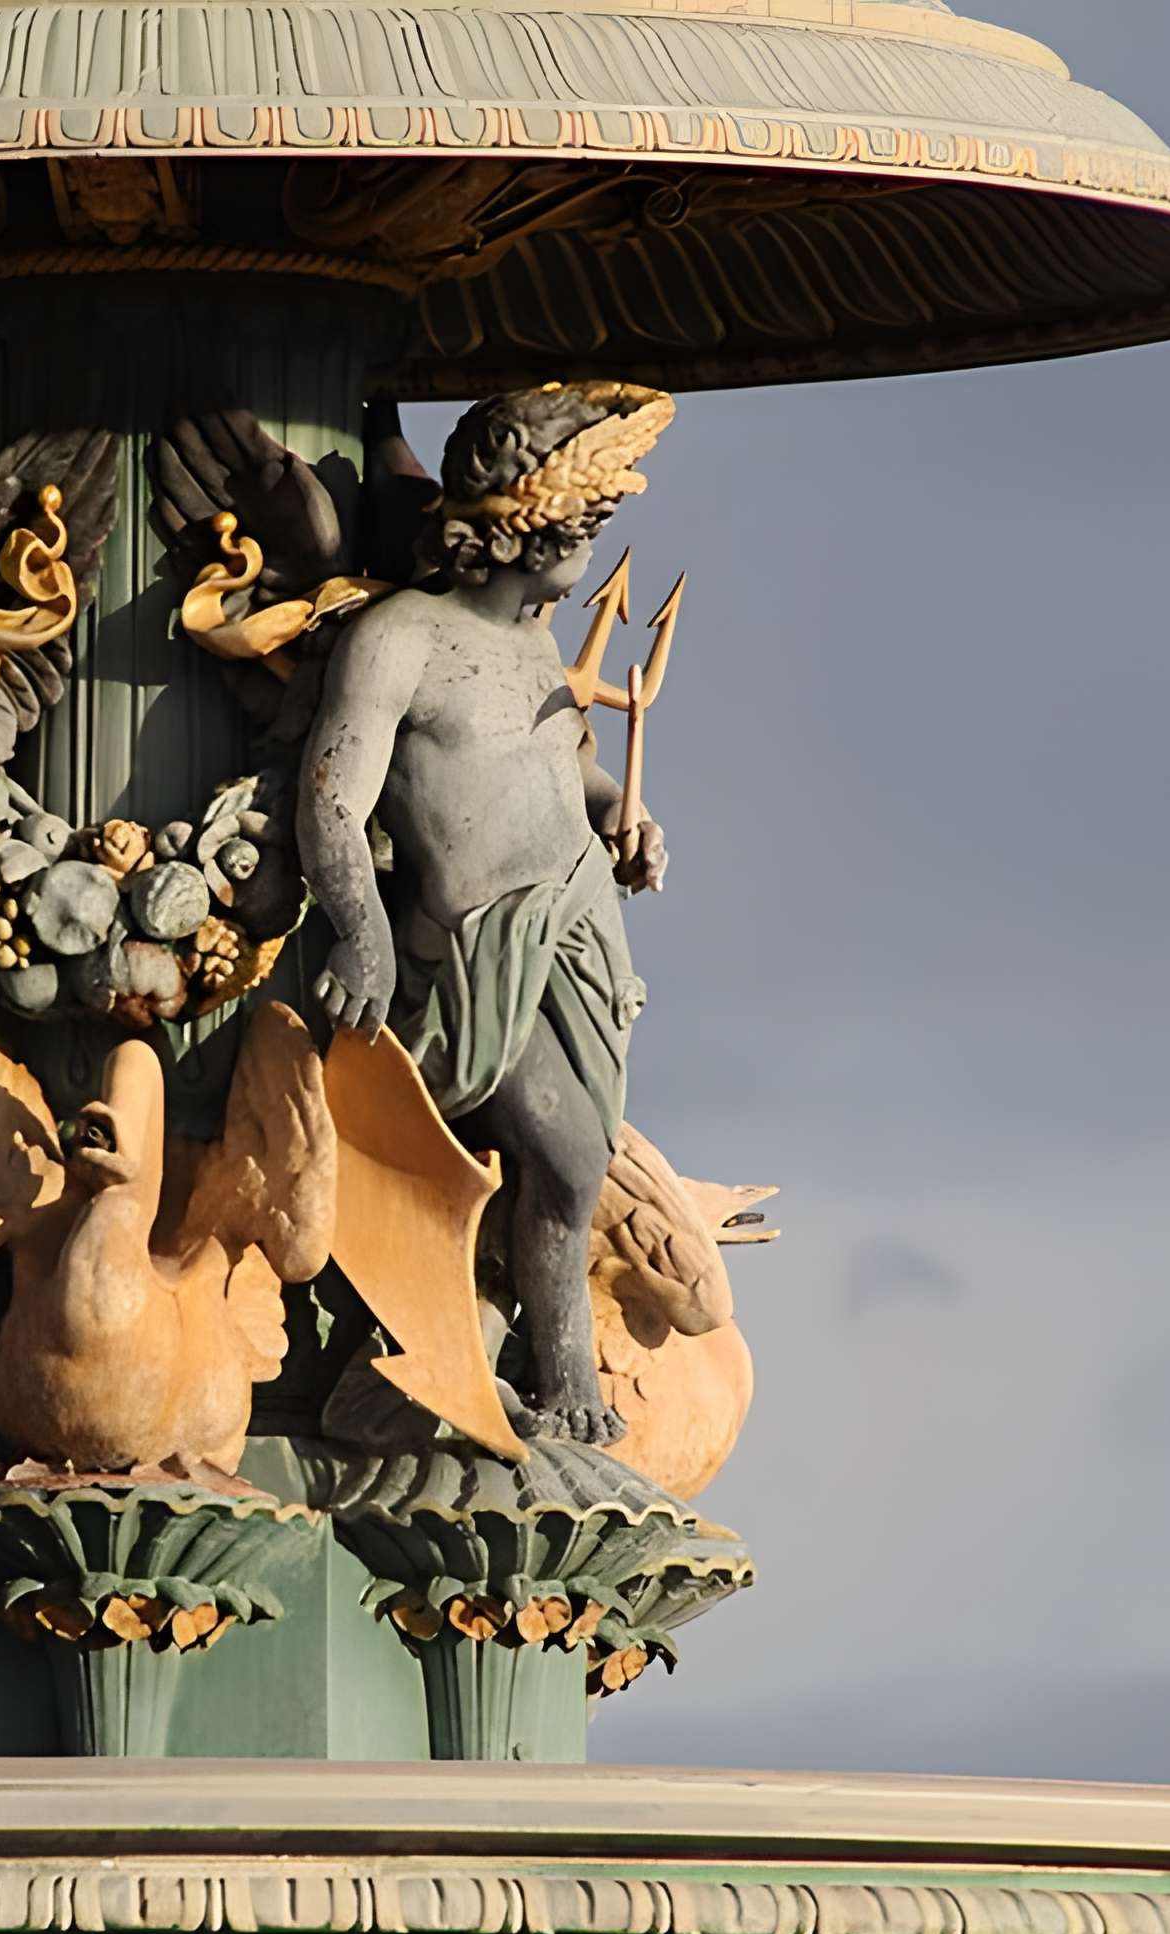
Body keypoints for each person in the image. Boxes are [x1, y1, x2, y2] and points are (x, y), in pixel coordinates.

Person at [298, 382, 675, 1445]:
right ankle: (517, 1373)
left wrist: (627, 821)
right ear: (520, 526)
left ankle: (554, 1383)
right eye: (581, 532)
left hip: (575, 935)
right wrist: (362, 930)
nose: (588, 557)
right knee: (555, 1149)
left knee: (575, 1160)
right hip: (472, 950)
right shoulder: (400, 639)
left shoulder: (534, 647)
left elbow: (564, 774)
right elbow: (331, 799)